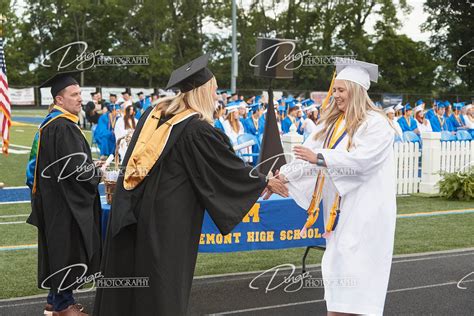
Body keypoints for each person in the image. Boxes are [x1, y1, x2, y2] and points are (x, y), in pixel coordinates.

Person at [93, 54, 288, 315]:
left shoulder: (154, 115)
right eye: (214, 89)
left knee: (136, 278)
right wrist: (264, 181)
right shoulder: (196, 129)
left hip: (134, 209)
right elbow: (226, 167)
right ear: (201, 91)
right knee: (162, 284)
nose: (216, 95)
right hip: (168, 220)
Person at [278, 59, 396, 315]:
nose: (336, 95)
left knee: (360, 286)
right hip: (340, 215)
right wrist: (283, 177)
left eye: (341, 90)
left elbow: (363, 162)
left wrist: (321, 158)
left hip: (367, 215)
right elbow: (306, 156)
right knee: (336, 278)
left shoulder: (376, 124)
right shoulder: (331, 123)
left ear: (355, 90)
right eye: (335, 90)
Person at [26, 71, 102, 316]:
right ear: (59, 99)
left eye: (80, 93)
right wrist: (96, 173)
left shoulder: (52, 123)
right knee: (68, 250)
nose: (81, 98)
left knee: (58, 248)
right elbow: (76, 172)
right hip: (66, 203)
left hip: (53, 200)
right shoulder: (63, 127)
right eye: (75, 94)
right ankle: (63, 306)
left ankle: (53, 300)